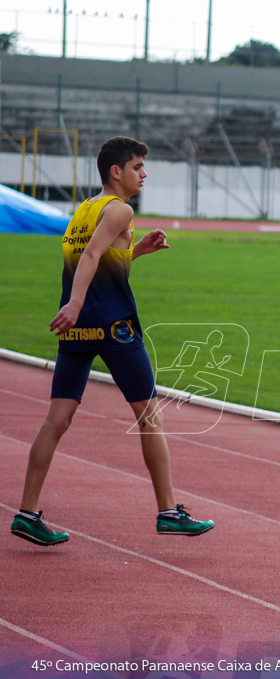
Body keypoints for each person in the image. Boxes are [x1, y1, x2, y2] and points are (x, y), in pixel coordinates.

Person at [10, 136, 214, 547]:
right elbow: (89, 260)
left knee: (58, 417)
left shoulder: (86, 209)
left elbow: (97, 257)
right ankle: (169, 512)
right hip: (113, 325)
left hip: (79, 329)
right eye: (138, 166)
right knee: (149, 414)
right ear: (115, 171)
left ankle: (27, 513)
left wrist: (135, 251)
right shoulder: (120, 209)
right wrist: (76, 301)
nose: (144, 174)